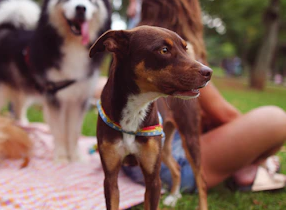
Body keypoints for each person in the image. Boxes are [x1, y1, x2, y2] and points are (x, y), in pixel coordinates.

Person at [122, 81, 286, 192]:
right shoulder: (182, 55)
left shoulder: (140, 45)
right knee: (276, 119)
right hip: (168, 165)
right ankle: (249, 167)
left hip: (128, 158)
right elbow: (227, 116)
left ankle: (245, 167)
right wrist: (255, 150)